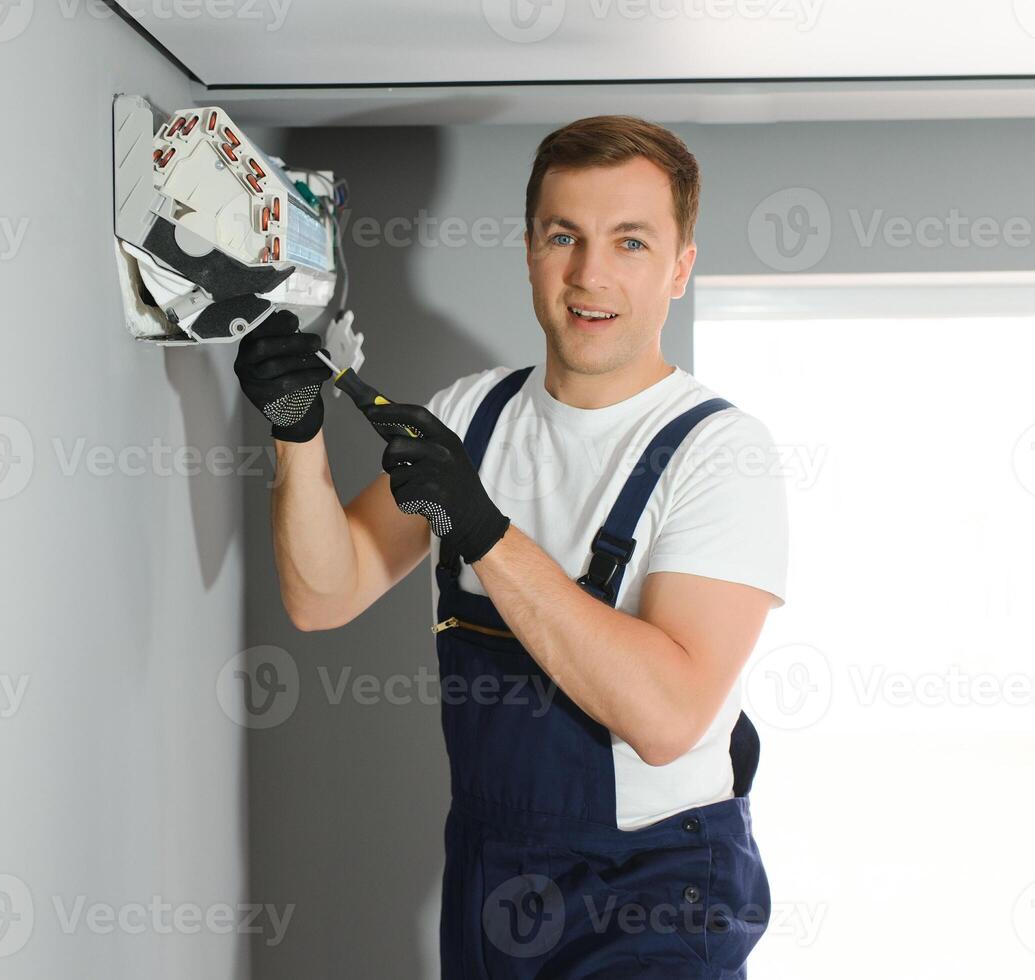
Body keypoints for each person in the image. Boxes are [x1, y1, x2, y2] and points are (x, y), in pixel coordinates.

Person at [234, 114, 788, 979]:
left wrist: (483, 531)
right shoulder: (472, 416)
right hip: (494, 872)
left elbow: (668, 717)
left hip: (653, 890)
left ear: (680, 266)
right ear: (529, 248)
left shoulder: (719, 452)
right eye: (561, 235)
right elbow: (321, 594)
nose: (588, 274)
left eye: (630, 243)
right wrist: (294, 434)